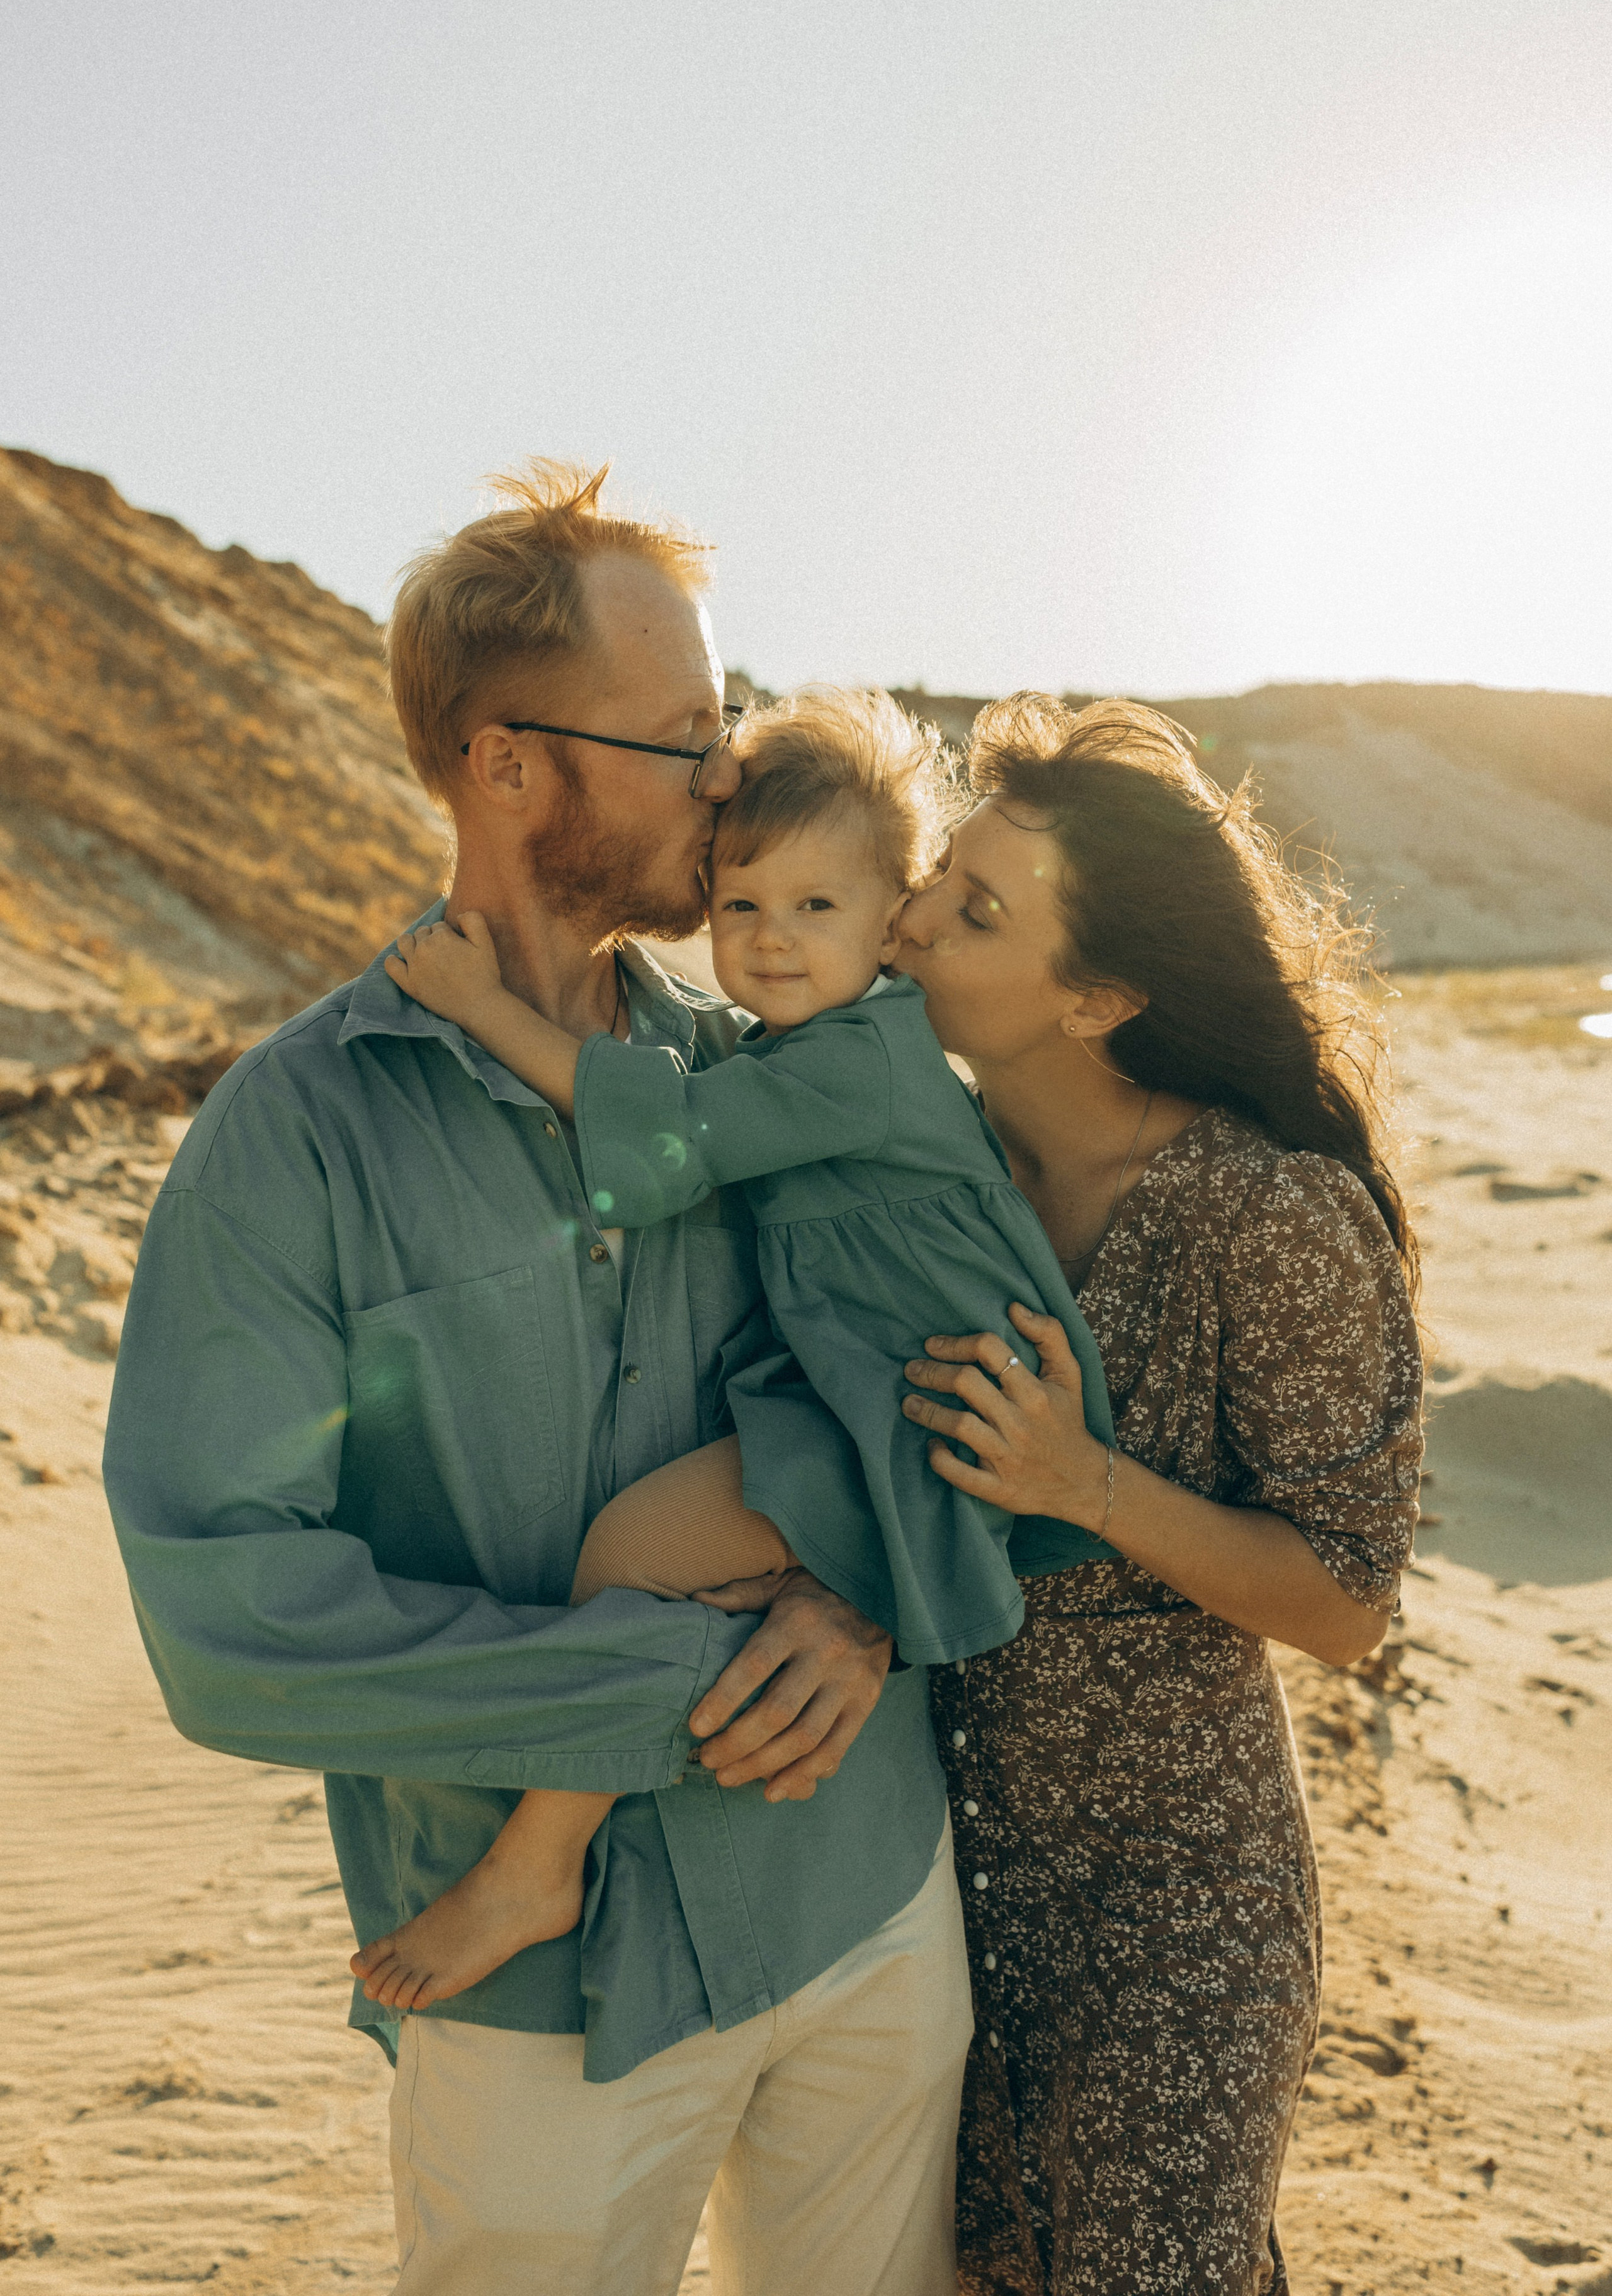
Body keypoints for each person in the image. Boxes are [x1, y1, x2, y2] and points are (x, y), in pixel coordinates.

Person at [101, 463, 971, 2296]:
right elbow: (232, 1611)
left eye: (726, 720)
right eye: (681, 736)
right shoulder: (292, 1140)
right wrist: (673, 1685)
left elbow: (924, 1358)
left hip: (865, 1889)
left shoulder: (767, 1070)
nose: (730, 776)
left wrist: (859, 1600)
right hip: (533, 1994)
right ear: (510, 768)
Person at [352, 688, 1120, 2013]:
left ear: (895, 914)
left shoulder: (862, 1063)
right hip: (878, 1392)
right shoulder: (819, 1041)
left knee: (629, 1555)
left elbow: (665, 1145)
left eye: (817, 908)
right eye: (741, 905)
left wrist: (483, 1007)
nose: (770, 941)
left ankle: (540, 1859)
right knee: (667, 1566)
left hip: (923, 1420)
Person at [892, 695, 1424, 2296]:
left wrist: (1084, 1482)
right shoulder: (928, 1178)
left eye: (974, 911)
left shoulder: (1268, 1216)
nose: (912, 915)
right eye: (934, 875)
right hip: (938, 1895)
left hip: (1175, 1912)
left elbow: (1344, 1605)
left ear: (1100, 995)